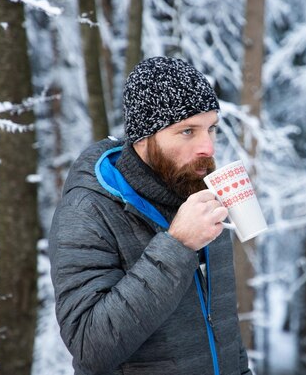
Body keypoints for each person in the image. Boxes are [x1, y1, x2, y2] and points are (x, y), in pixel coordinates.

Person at [48, 56, 252, 375]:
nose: (208, 148)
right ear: (144, 137)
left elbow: (224, 332)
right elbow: (89, 347)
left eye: (211, 129)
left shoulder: (200, 195)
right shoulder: (89, 208)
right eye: (188, 131)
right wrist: (177, 246)